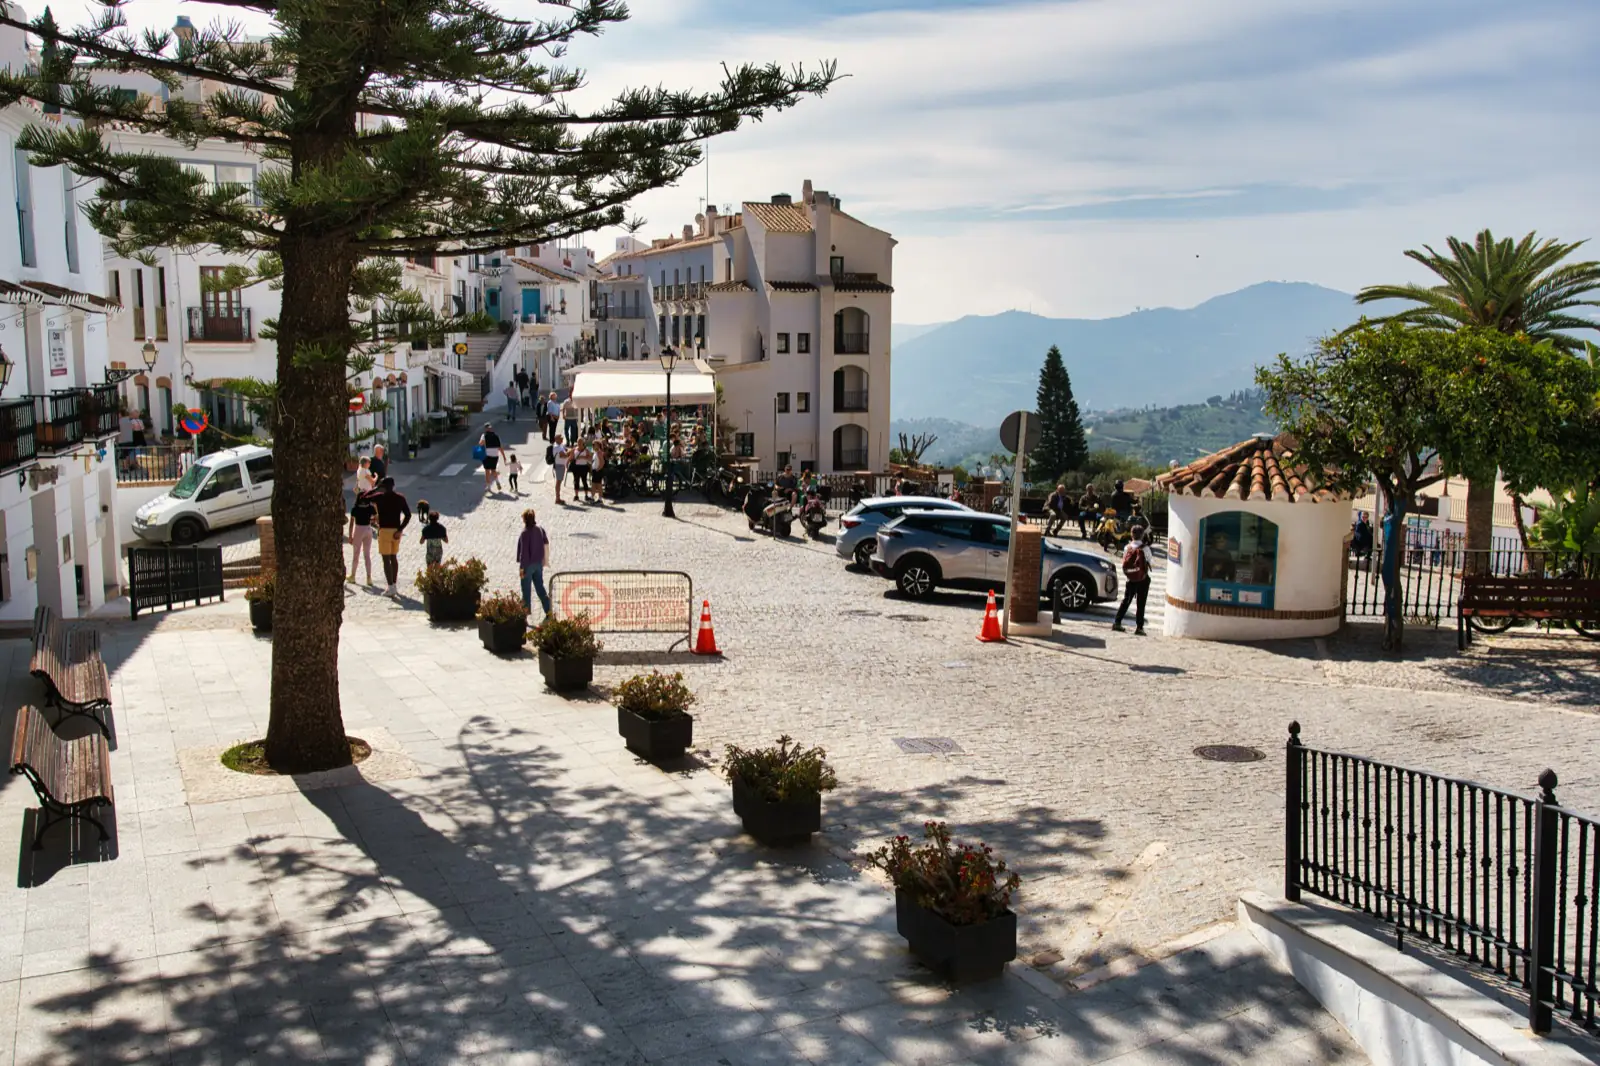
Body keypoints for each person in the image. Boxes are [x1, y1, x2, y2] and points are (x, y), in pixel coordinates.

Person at [364, 476, 412, 598]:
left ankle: (390, 586)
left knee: (386, 559)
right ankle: (394, 584)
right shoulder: (400, 498)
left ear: (383, 487)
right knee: (393, 558)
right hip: (396, 531)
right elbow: (408, 515)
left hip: (384, 530)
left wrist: (375, 488)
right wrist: (400, 529)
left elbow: (364, 497)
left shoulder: (379, 497)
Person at [1112, 528, 1154, 635]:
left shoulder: (1127, 547)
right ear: (1142, 535)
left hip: (1130, 578)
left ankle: (1117, 622)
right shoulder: (1145, 548)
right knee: (1141, 603)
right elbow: (1151, 563)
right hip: (1143, 578)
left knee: (1126, 600)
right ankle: (1139, 628)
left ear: (1131, 535)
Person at [516, 509, 552, 615]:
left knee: (526, 591)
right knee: (540, 587)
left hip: (527, 566)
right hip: (538, 564)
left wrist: (522, 569)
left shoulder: (524, 533)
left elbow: (524, 554)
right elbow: (545, 542)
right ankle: (548, 611)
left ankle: (525, 614)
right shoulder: (540, 529)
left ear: (525, 519)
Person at [347, 489, 376, 585]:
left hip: (359, 529)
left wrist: (350, 536)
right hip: (368, 529)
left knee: (356, 554)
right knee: (367, 555)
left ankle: (353, 576)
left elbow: (351, 523)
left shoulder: (355, 509)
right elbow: (376, 517)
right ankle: (369, 578)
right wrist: (372, 520)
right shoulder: (370, 507)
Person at [479, 423, 503, 493]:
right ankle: (497, 481)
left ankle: (489, 487)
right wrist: (504, 456)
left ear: (486, 429)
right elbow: (500, 446)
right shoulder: (496, 435)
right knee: (493, 470)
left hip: (487, 455)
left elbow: (481, 443)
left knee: (487, 471)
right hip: (495, 456)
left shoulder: (484, 435)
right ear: (491, 428)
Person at [552, 438, 570, 504]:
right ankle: (557, 499)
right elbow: (564, 455)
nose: (562, 439)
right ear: (557, 439)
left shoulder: (560, 445)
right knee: (558, 482)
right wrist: (571, 451)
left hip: (561, 465)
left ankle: (558, 498)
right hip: (559, 465)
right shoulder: (557, 447)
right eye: (561, 438)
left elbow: (566, 450)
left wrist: (568, 450)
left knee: (559, 481)